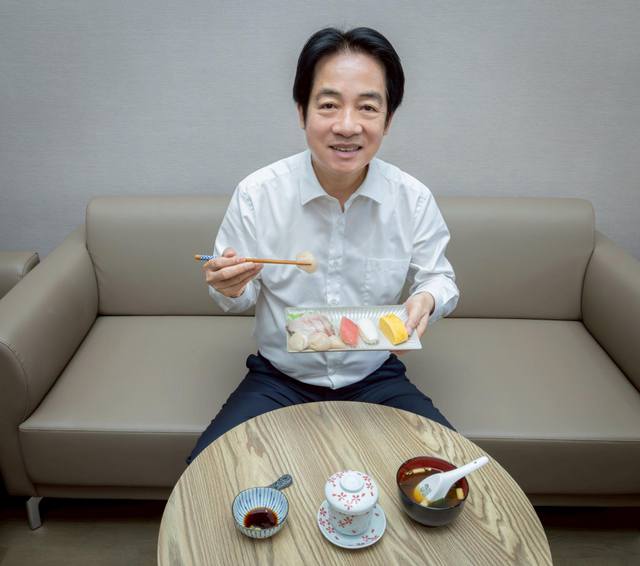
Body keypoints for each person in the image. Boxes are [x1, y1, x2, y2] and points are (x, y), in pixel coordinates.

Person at [187, 27, 459, 464]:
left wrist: (426, 299)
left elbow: (440, 277)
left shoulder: (412, 198)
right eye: (329, 104)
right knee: (210, 469)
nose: (347, 125)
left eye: (367, 107)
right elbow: (239, 297)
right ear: (302, 111)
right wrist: (230, 285)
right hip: (279, 377)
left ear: (388, 120)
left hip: (375, 376)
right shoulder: (258, 193)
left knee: (447, 473)